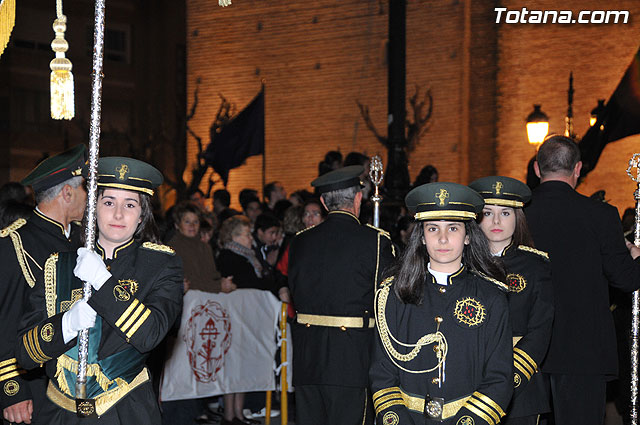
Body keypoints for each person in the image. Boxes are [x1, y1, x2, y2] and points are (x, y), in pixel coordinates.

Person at [15, 156, 184, 424]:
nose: (118, 214)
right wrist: (66, 325)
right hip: (59, 414)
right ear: (93, 209)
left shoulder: (161, 265)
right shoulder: (58, 265)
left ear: (142, 215)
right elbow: (25, 354)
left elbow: (149, 334)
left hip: (125, 411)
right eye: (108, 203)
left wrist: (102, 281)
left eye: (130, 204)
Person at [370, 182, 513, 425]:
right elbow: (382, 374)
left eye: (453, 229)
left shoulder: (491, 297)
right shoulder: (394, 295)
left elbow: (499, 378)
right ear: (422, 237)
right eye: (433, 229)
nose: (443, 239)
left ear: (468, 236)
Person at [524, 135, 640, 425]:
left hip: (525, 351)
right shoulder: (601, 215)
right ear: (578, 169)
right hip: (583, 352)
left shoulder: (517, 215)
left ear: (537, 169)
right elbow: (626, 279)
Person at [288, 165, 396, 425]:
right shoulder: (377, 241)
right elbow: (389, 303)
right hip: (352, 360)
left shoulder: (300, 241)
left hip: (307, 358)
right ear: (359, 198)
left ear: (324, 202)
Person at [0, 144, 88, 425]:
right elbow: (4, 322)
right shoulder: (15, 244)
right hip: (35, 385)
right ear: (67, 192)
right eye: (86, 188)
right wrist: (11, 390)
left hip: (81, 382)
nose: (90, 197)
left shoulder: (83, 240)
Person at [470, 176, 554, 424]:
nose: (496, 221)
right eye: (488, 212)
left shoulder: (535, 266)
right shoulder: (462, 262)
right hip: (469, 382)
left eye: (505, 213)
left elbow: (540, 330)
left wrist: (507, 376)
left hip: (521, 387)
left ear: (517, 218)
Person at [216, 215, 272, 425]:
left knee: (243, 365)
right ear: (234, 236)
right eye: (246, 234)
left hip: (247, 318)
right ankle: (229, 414)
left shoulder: (249, 255)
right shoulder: (228, 256)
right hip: (234, 318)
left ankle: (239, 412)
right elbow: (248, 283)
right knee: (232, 366)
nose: (251, 238)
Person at [168, 201, 234, 294]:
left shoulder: (205, 247)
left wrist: (224, 281)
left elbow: (212, 275)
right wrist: (218, 286)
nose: (192, 225)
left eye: (195, 221)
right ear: (177, 225)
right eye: (187, 222)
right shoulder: (172, 248)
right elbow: (186, 282)